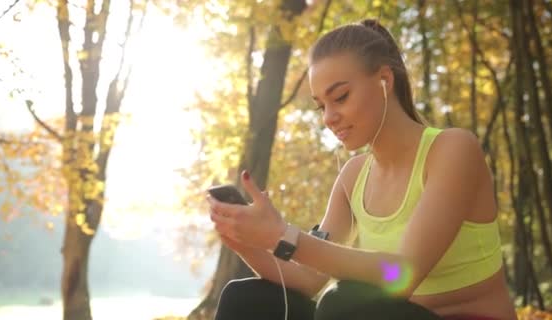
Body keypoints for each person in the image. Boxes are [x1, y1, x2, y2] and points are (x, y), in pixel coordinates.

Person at [207, 18, 518, 320]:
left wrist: (283, 235)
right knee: (248, 298)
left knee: (343, 304)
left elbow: (402, 274)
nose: (328, 117)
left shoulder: (453, 150)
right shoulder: (353, 177)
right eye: (321, 106)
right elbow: (310, 278)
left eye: (340, 97)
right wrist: (245, 240)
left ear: (385, 81)